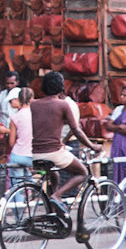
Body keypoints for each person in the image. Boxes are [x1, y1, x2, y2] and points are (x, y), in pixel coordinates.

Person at [30, 71, 100, 218]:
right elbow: (77, 131)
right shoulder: (63, 104)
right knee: (83, 173)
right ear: (61, 87)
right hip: (54, 152)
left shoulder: (33, 104)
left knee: (53, 175)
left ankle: (53, 212)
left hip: (34, 153)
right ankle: (57, 196)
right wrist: (92, 146)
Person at [106, 85, 126, 183]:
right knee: (117, 167)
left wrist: (116, 128)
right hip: (117, 143)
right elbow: (108, 126)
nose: (121, 97)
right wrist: (119, 127)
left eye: (125, 95)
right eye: (121, 95)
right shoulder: (118, 109)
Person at [6, 87, 34, 185]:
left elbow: (11, 143)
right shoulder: (37, 114)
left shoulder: (15, 117)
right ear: (32, 99)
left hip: (18, 155)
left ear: (19, 99)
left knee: (17, 185)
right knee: (29, 180)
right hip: (33, 156)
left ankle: (19, 200)